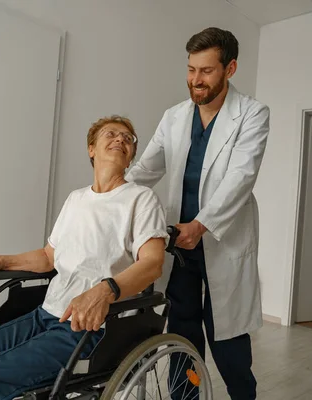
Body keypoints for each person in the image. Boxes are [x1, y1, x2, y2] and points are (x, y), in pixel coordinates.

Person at [0, 115, 169, 400]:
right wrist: (3, 261)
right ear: (91, 149)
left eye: (128, 138)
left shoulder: (141, 199)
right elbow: (50, 257)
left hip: (89, 327)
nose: (121, 139)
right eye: (111, 134)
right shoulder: (76, 199)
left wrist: (105, 291)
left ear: (132, 154)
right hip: (45, 314)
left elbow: (152, 264)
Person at [126, 27, 270, 400]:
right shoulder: (174, 116)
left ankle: (243, 395)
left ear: (230, 68)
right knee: (182, 332)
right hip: (180, 243)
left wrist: (201, 225)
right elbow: (147, 169)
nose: (196, 80)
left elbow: (241, 177)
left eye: (206, 71)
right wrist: (111, 186)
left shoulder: (251, 114)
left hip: (221, 238)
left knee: (228, 337)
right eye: (191, 69)